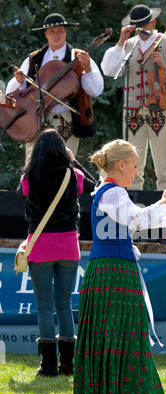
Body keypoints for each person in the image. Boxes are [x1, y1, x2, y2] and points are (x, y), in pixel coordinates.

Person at [73, 139, 166, 394]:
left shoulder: (110, 192)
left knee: (113, 339)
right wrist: (165, 201)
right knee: (116, 339)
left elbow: (134, 223)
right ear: (120, 165)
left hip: (113, 272)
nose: (136, 172)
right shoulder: (114, 192)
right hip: (113, 274)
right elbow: (136, 219)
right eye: (134, 166)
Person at [17, 128, 97, 377]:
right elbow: (94, 187)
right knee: (64, 305)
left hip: (40, 243)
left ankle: (48, 365)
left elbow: (22, 193)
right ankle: (68, 365)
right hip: (68, 244)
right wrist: (74, 161)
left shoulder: (31, 176)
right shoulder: (72, 175)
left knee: (44, 306)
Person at [101, 4, 166, 190]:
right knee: (131, 167)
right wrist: (121, 41)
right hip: (133, 112)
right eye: (137, 26)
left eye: (144, 25)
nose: (141, 29)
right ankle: (133, 205)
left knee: (164, 169)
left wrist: (164, 66)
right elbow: (110, 70)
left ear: (153, 22)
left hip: (161, 110)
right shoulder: (127, 46)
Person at [6, 13, 104, 160]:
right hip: (37, 120)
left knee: (65, 167)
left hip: (68, 121)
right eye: (52, 31)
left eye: (60, 31)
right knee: (34, 168)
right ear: (45, 34)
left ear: (66, 32)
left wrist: (88, 69)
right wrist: (19, 81)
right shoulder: (34, 58)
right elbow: (12, 92)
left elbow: (96, 90)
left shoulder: (78, 56)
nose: (56, 35)